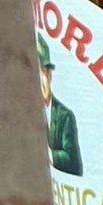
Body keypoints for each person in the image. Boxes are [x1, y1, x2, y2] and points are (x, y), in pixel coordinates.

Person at [36, 37, 83, 176]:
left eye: (42, 73)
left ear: (49, 75)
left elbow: (73, 162)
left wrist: (47, 154)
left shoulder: (64, 116)